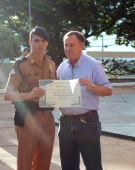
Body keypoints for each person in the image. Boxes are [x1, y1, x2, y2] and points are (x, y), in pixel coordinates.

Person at [57, 31, 112, 170]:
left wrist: (91, 86)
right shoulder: (61, 68)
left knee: (93, 165)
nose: (68, 49)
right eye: (66, 45)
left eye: (72, 45)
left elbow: (108, 90)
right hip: (65, 123)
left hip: (87, 123)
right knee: (68, 166)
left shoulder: (93, 65)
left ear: (82, 45)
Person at [4, 27, 57, 170]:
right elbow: (7, 94)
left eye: (43, 41)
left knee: (44, 160)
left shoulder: (51, 64)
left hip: (47, 116)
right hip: (28, 116)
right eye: (36, 40)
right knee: (25, 161)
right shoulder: (21, 65)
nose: (40, 44)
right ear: (30, 42)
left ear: (47, 43)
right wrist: (29, 95)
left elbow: (55, 89)